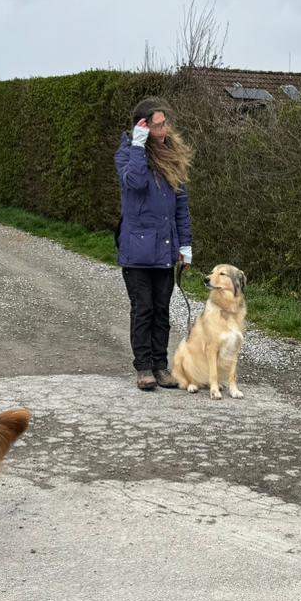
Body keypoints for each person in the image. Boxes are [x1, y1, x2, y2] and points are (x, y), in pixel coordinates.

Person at [115, 96, 194, 391]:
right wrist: (137, 146)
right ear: (144, 127)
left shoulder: (173, 156)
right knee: (143, 308)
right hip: (136, 251)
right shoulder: (127, 155)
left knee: (162, 309)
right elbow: (135, 183)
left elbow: (181, 208)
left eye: (165, 123)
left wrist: (185, 246)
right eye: (159, 125)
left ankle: (161, 366)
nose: (166, 129)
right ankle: (144, 367)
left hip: (165, 248)